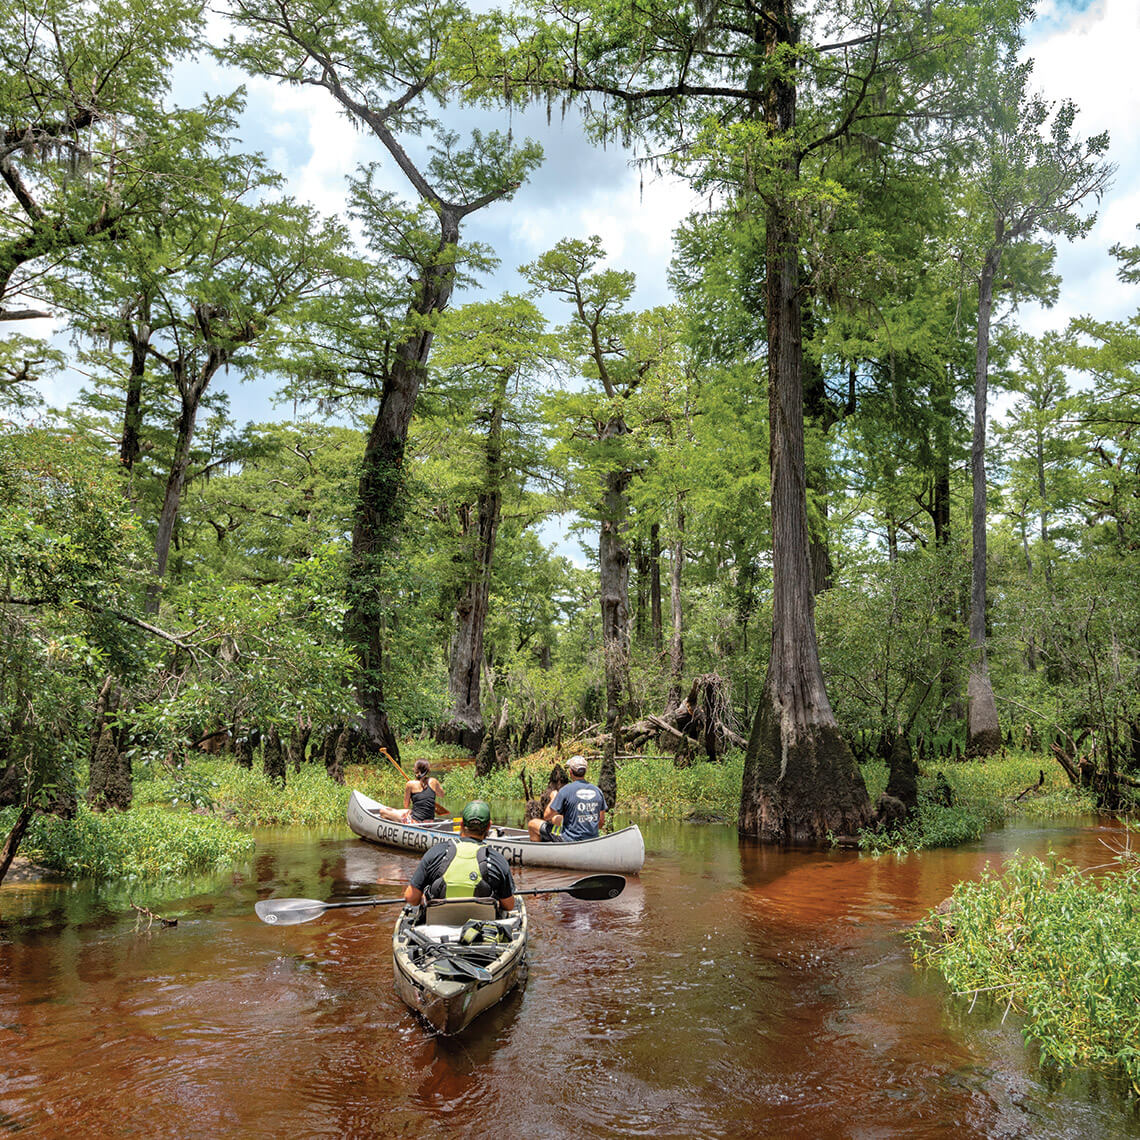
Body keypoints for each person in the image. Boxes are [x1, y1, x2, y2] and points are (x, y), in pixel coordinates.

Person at [403, 801, 516, 911]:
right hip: (481, 926)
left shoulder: (435, 852)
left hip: (438, 925)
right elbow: (509, 905)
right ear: (489, 826)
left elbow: (411, 898)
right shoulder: (498, 860)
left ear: (461, 824)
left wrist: (422, 899)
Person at [527, 755, 606, 843]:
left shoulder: (565, 790)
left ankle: (539, 851)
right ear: (585, 771)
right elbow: (601, 822)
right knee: (556, 818)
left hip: (569, 839)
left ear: (570, 772)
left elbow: (546, 816)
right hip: (591, 839)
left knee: (533, 823)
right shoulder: (598, 791)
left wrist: (554, 797)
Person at [376, 759, 448, 824]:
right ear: (428, 771)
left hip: (415, 822)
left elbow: (406, 805)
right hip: (430, 822)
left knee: (382, 811)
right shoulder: (434, 781)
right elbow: (441, 795)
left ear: (415, 770)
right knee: (405, 811)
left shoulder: (410, 784)